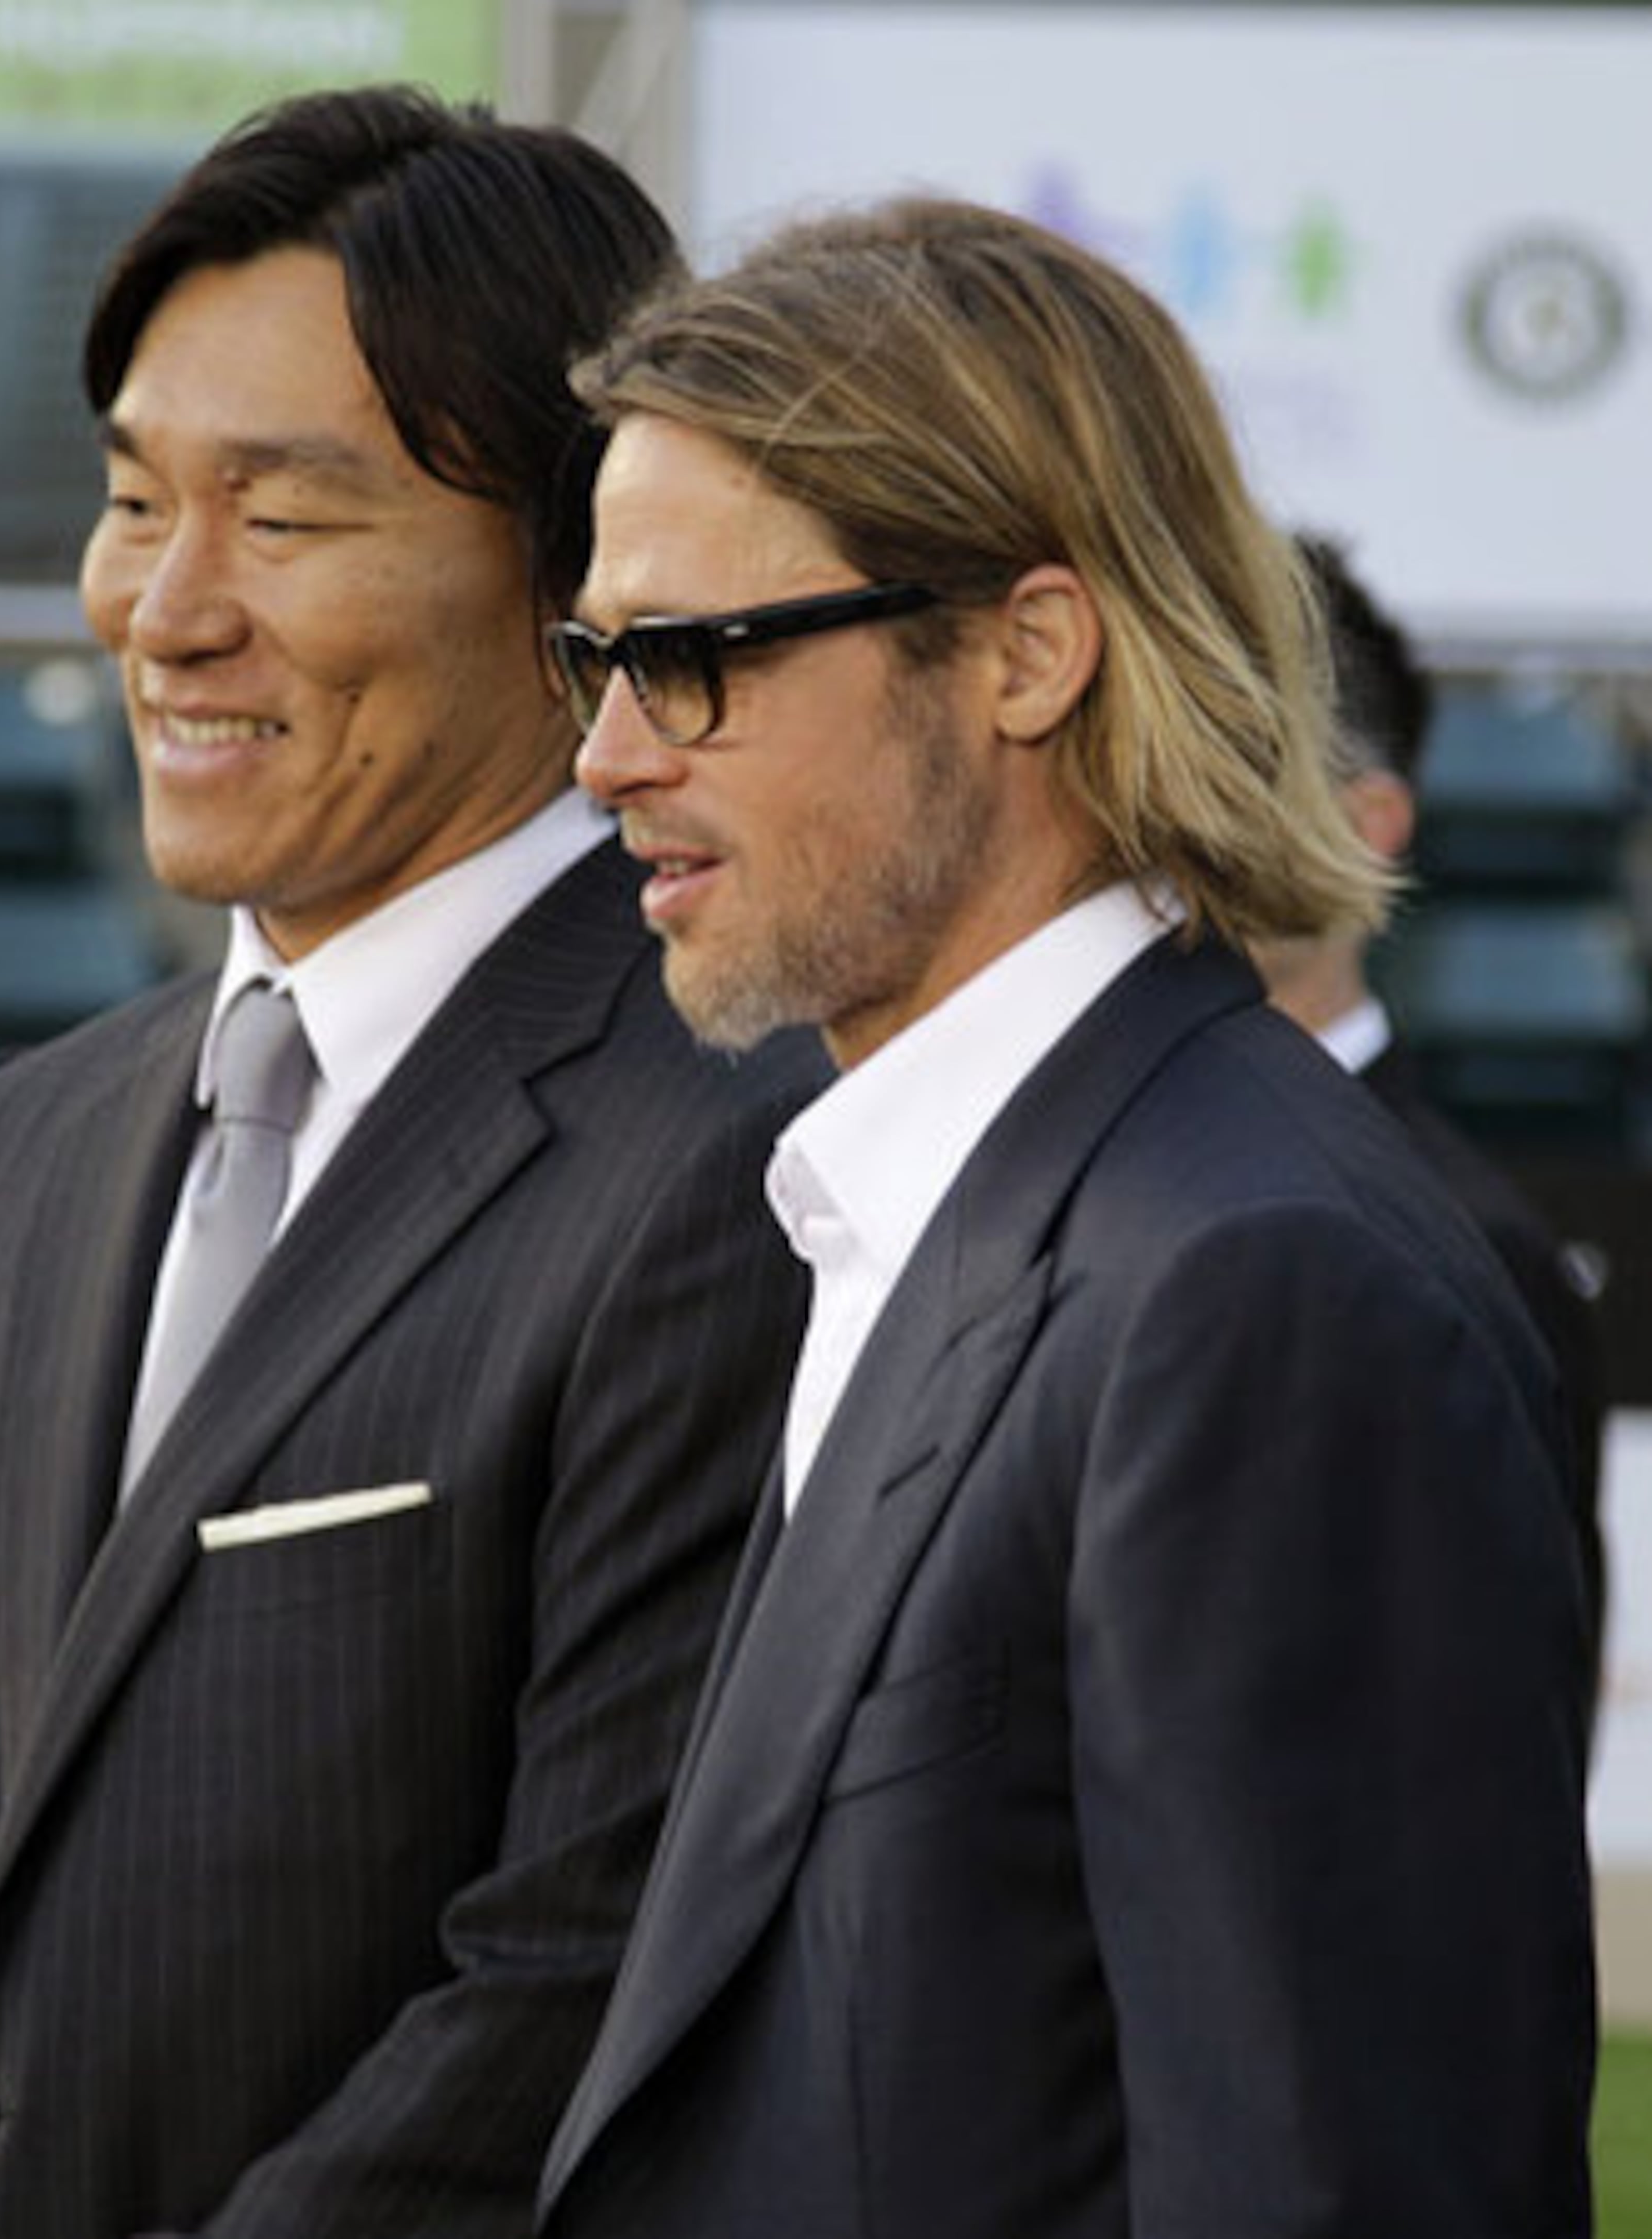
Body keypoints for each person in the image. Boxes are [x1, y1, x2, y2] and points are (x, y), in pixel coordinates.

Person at [0, 86, 819, 2239]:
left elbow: (572, 1974)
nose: (165, 608)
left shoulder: (749, 1163)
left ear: (577, 574)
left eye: (286, 518)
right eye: (135, 500)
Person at [536, 196, 1594, 2238]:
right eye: (595, 659)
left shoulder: (1264, 1291)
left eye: (689, 661)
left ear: (1027, 654)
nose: (604, 757)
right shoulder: (937, 1207)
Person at [1260, 533, 1609, 1690]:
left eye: (1234, 761)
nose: (1163, 816)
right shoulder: (1054, 1171)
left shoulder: (1467, 1252)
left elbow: (1490, 1732)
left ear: (1369, 825)